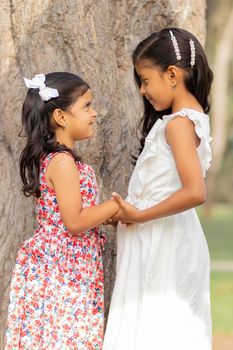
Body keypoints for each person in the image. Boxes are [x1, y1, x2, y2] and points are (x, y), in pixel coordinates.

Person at [103, 28, 213, 350]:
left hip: (163, 244)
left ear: (172, 75)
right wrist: (129, 212)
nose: (141, 90)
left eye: (145, 79)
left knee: (158, 331)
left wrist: (139, 214)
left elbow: (195, 192)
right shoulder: (185, 120)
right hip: (157, 237)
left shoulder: (179, 125)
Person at [5, 72, 120, 349]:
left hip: (69, 264)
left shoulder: (62, 160)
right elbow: (74, 221)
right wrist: (115, 205)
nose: (94, 113)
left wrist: (106, 216)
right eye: (86, 106)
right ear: (61, 117)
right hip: (63, 270)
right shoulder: (62, 162)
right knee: (64, 337)